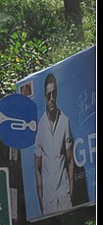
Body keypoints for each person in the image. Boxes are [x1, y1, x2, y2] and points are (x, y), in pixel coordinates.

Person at [34, 73, 75, 215]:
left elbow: (70, 161)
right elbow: (37, 168)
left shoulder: (65, 121)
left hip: (64, 196)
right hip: (48, 200)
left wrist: (71, 193)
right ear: (45, 97)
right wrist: (42, 201)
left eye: (54, 94)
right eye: (48, 95)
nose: (51, 99)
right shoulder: (40, 126)